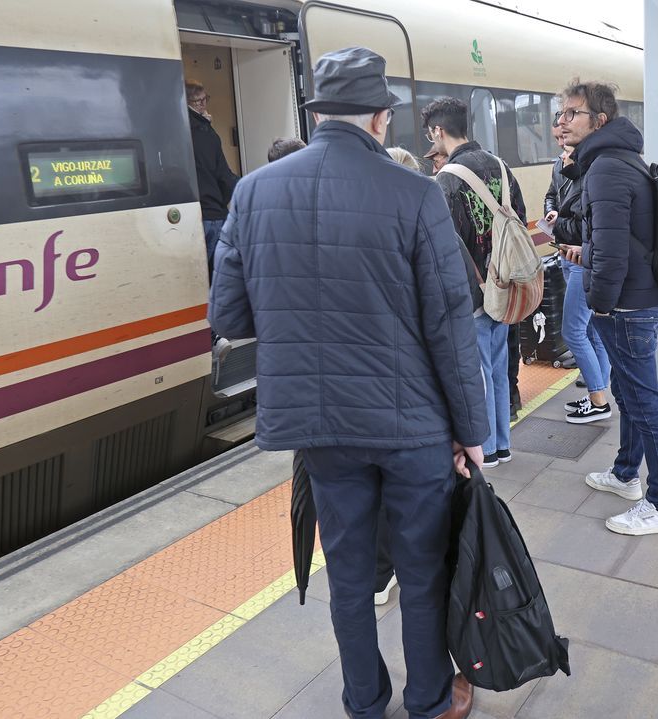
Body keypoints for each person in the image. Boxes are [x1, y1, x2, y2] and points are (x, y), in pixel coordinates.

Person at [209, 47, 483, 719]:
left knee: (352, 576)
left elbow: (229, 315)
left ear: (317, 114)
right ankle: (427, 700)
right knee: (422, 572)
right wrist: (471, 432)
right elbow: (450, 325)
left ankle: (363, 701)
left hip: (322, 427)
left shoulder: (254, 191)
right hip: (413, 425)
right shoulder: (417, 193)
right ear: (381, 119)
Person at [556, 78, 658, 536]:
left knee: (645, 403)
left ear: (599, 120)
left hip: (626, 305)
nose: (562, 122)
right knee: (629, 396)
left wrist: (600, 306)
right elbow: (618, 241)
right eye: (561, 114)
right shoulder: (617, 161)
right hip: (636, 298)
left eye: (572, 113)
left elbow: (610, 251)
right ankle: (628, 474)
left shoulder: (606, 168)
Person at [425, 96, 527, 469]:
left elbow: (443, 246)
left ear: (439, 130)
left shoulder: (445, 180)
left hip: (471, 294)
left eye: (430, 134)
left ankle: (483, 448)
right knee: (499, 366)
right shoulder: (501, 167)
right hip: (505, 288)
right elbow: (520, 220)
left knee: (478, 371)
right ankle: (502, 443)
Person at [543, 119, 612, 423]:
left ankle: (599, 400)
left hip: (582, 256)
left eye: (566, 137)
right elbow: (552, 194)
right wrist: (551, 211)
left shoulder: (591, 167)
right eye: (558, 138)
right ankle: (599, 391)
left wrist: (559, 221)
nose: (562, 144)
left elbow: (584, 218)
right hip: (566, 253)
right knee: (589, 328)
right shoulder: (560, 165)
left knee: (572, 330)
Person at [186, 80, 239, 276]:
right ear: (188, 103)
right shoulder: (207, 133)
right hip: (213, 213)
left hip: (194, 214)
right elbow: (222, 174)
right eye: (197, 101)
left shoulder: (180, 132)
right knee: (220, 273)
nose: (203, 104)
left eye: (204, 99)